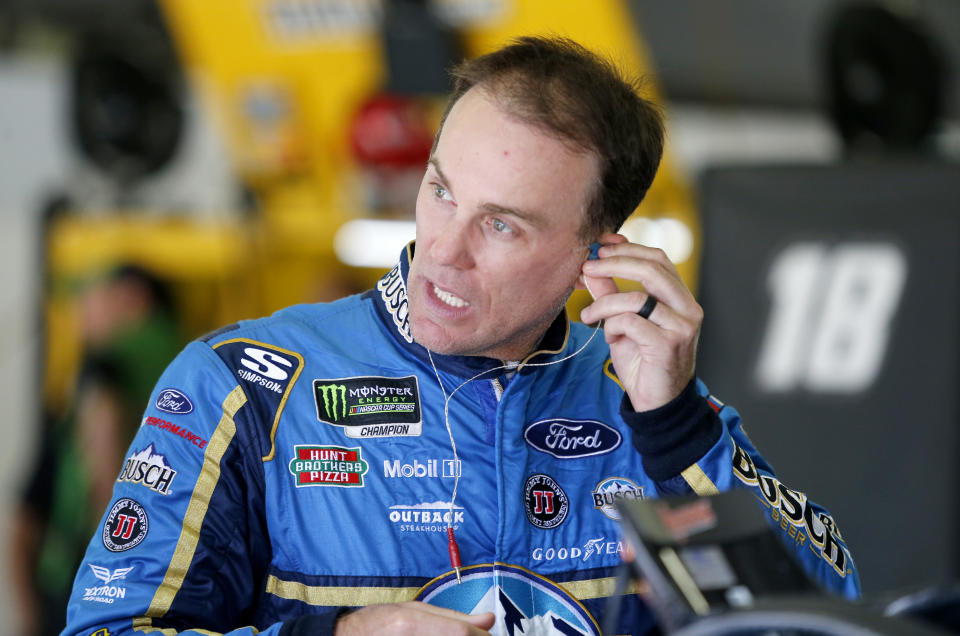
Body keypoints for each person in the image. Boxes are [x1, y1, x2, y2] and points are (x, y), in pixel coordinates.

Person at [61, 37, 860, 636]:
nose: (443, 249)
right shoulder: (245, 387)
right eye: (441, 189)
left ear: (600, 249)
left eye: (501, 225)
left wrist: (678, 431)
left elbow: (833, 621)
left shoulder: (652, 410)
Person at [12, 265, 182, 636]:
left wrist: (106, 562)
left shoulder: (116, 362)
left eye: (90, 295)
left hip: (100, 566)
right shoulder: (193, 362)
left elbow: (104, 431)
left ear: (132, 297)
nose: (80, 309)